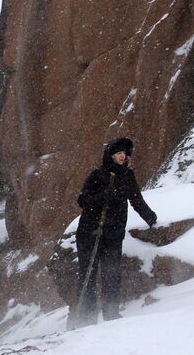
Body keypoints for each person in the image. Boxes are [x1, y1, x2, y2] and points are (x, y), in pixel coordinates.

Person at [70, 137, 157, 326]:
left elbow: (136, 200)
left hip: (113, 234)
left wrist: (150, 217)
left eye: (125, 153)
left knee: (112, 274)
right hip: (90, 233)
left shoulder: (127, 176)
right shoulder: (98, 175)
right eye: (119, 152)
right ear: (111, 155)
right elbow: (82, 200)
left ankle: (111, 315)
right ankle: (86, 318)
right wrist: (103, 197)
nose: (122, 156)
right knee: (88, 275)